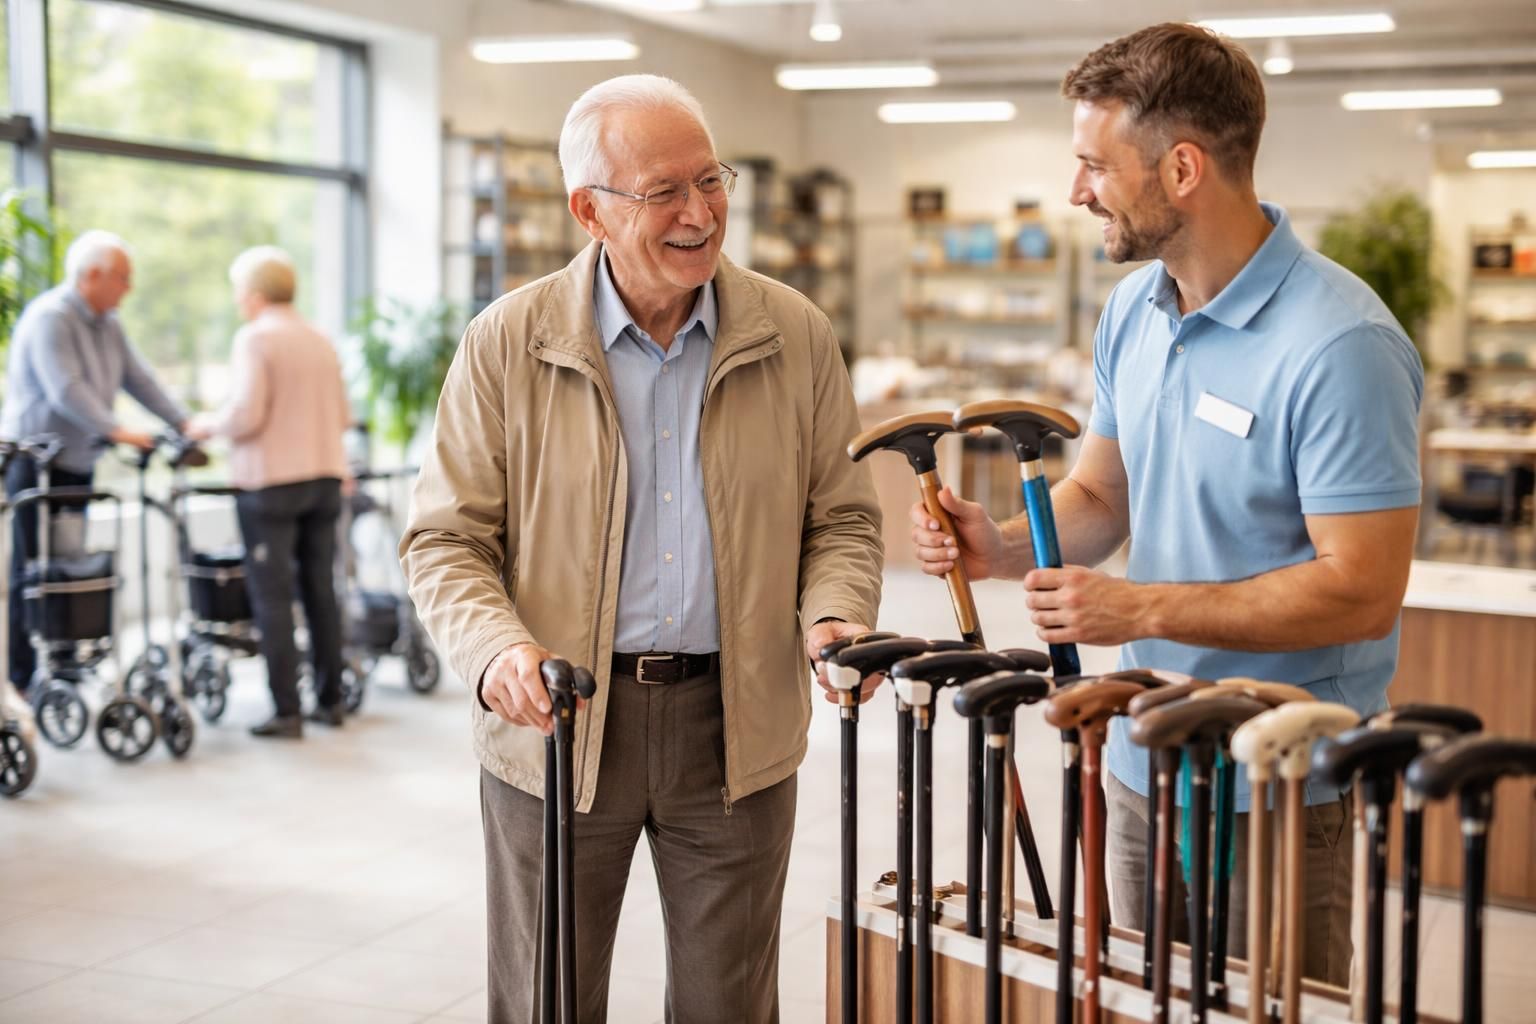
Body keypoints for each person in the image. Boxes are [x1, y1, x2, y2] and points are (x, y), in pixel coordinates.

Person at [909, 23, 1423, 985]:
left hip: (1278, 777)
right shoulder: (1135, 310)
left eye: (1093, 164)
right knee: (1144, 1001)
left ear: (1182, 168)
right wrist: (1004, 545)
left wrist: (1136, 608)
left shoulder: (1341, 344)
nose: (1075, 191)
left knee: (1271, 1010)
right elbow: (1105, 492)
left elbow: (1362, 592)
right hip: (1143, 759)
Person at [400, 74, 883, 1021]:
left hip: (735, 727)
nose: (701, 213)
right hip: (561, 727)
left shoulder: (794, 335)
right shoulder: (508, 342)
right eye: (664, 191)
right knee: (550, 997)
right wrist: (496, 651)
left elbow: (843, 517)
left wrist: (836, 612)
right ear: (591, 210)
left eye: (712, 180)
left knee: (728, 1004)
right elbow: (446, 538)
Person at [1, 230, 191, 693]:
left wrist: (181, 423)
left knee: (68, 561)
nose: (129, 288)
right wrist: (120, 430)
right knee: (32, 568)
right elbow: (66, 390)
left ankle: (62, 661)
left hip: (78, 461)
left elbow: (139, 378)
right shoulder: (52, 317)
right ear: (91, 276)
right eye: (123, 278)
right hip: (35, 462)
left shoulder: (108, 323)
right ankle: (23, 676)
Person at [187, 246, 352, 739]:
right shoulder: (320, 339)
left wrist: (206, 426)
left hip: (272, 484)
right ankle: (331, 700)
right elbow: (343, 414)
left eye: (240, 292)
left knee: (273, 597)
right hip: (324, 478)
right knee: (321, 591)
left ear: (255, 295)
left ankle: (287, 710)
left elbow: (246, 414)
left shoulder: (256, 338)